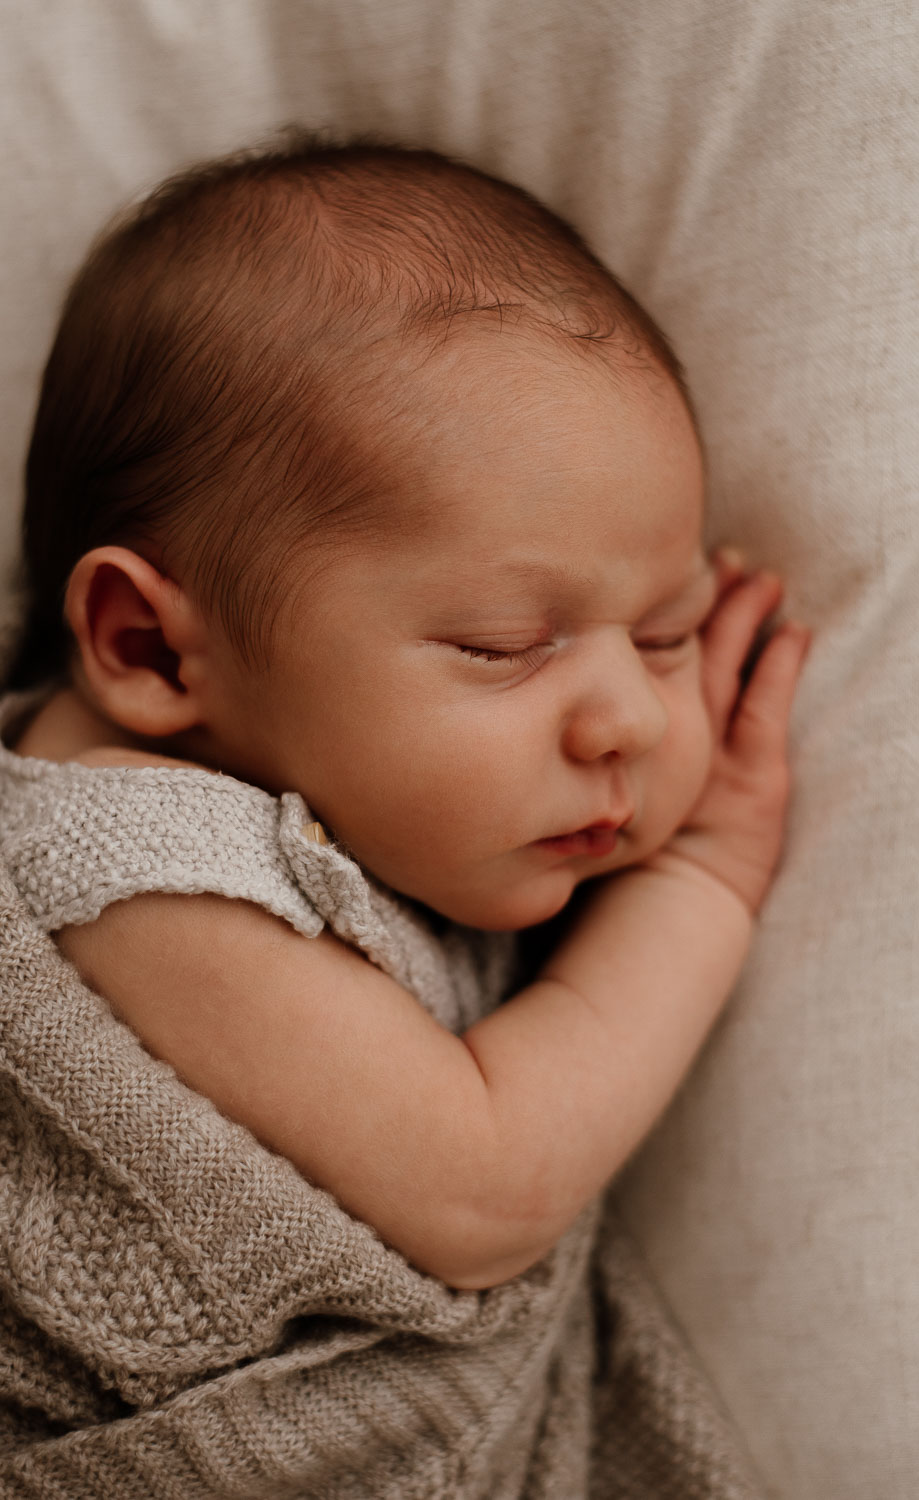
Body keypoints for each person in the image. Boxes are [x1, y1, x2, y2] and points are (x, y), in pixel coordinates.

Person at [0, 137, 807, 1491]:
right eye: (503, 645)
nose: (633, 721)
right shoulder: (117, 866)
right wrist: (704, 877)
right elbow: (483, 1186)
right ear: (145, 649)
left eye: (663, 633)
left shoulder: (382, 803)